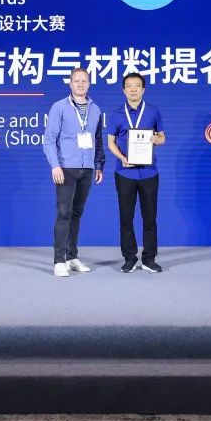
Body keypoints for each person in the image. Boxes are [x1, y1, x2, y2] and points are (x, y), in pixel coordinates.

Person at [42, 67, 105, 277]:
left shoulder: (95, 109)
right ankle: (59, 261)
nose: (80, 84)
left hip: (87, 168)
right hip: (65, 168)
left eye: (84, 81)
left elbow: (97, 140)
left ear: (89, 84)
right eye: (76, 81)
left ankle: (72, 257)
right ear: (70, 84)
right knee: (64, 214)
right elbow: (49, 140)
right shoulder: (59, 107)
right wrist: (55, 165)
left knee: (77, 214)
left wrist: (99, 165)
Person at [106, 72, 165, 273]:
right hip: (125, 173)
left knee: (150, 218)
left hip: (149, 173)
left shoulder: (153, 112)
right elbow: (110, 142)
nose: (133, 89)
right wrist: (122, 158)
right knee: (126, 218)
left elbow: (162, 137)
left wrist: (157, 140)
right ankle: (129, 258)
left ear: (143, 89)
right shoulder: (116, 114)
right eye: (129, 86)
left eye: (137, 86)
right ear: (124, 90)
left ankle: (149, 259)